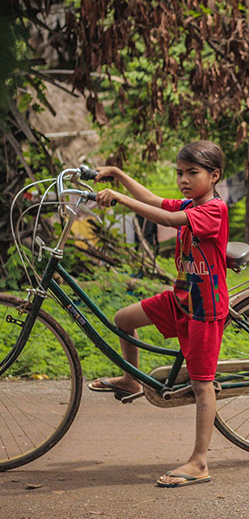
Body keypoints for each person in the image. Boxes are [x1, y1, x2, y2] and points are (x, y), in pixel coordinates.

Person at [89, 140, 229, 488]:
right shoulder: (190, 202)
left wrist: (119, 198)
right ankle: (131, 379)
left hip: (205, 309)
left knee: (201, 384)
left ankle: (199, 462)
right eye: (180, 172)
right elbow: (154, 200)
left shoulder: (212, 210)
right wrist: (118, 176)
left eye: (192, 173)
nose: (183, 179)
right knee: (124, 319)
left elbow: (167, 218)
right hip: (181, 299)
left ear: (214, 176)